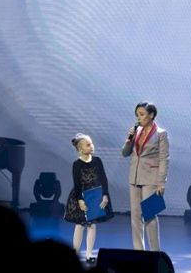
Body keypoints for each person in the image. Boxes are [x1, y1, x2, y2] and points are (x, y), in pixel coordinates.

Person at [121, 101, 169, 251]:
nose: (138, 118)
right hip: (134, 178)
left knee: (150, 215)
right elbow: (125, 153)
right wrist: (129, 139)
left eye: (141, 114)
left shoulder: (161, 133)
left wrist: (161, 182)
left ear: (151, 115)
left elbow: (164, 158)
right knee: (135, 216)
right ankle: (139, 252)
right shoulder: (136, 131)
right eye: (137, 115)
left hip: (152, 179)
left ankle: (155, 252)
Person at [64, 133, 113, 263]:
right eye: (88, 145)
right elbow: (77, 184)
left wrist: (105, 195)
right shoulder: (77, 164)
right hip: (82, 196)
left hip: (95, 196)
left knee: (92, 225)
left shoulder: (97, 161)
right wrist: (80, 200)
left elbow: (103, 179)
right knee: (80, 225)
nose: (91, 146)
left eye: (91, 144)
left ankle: (89, 254)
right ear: (80, 149)